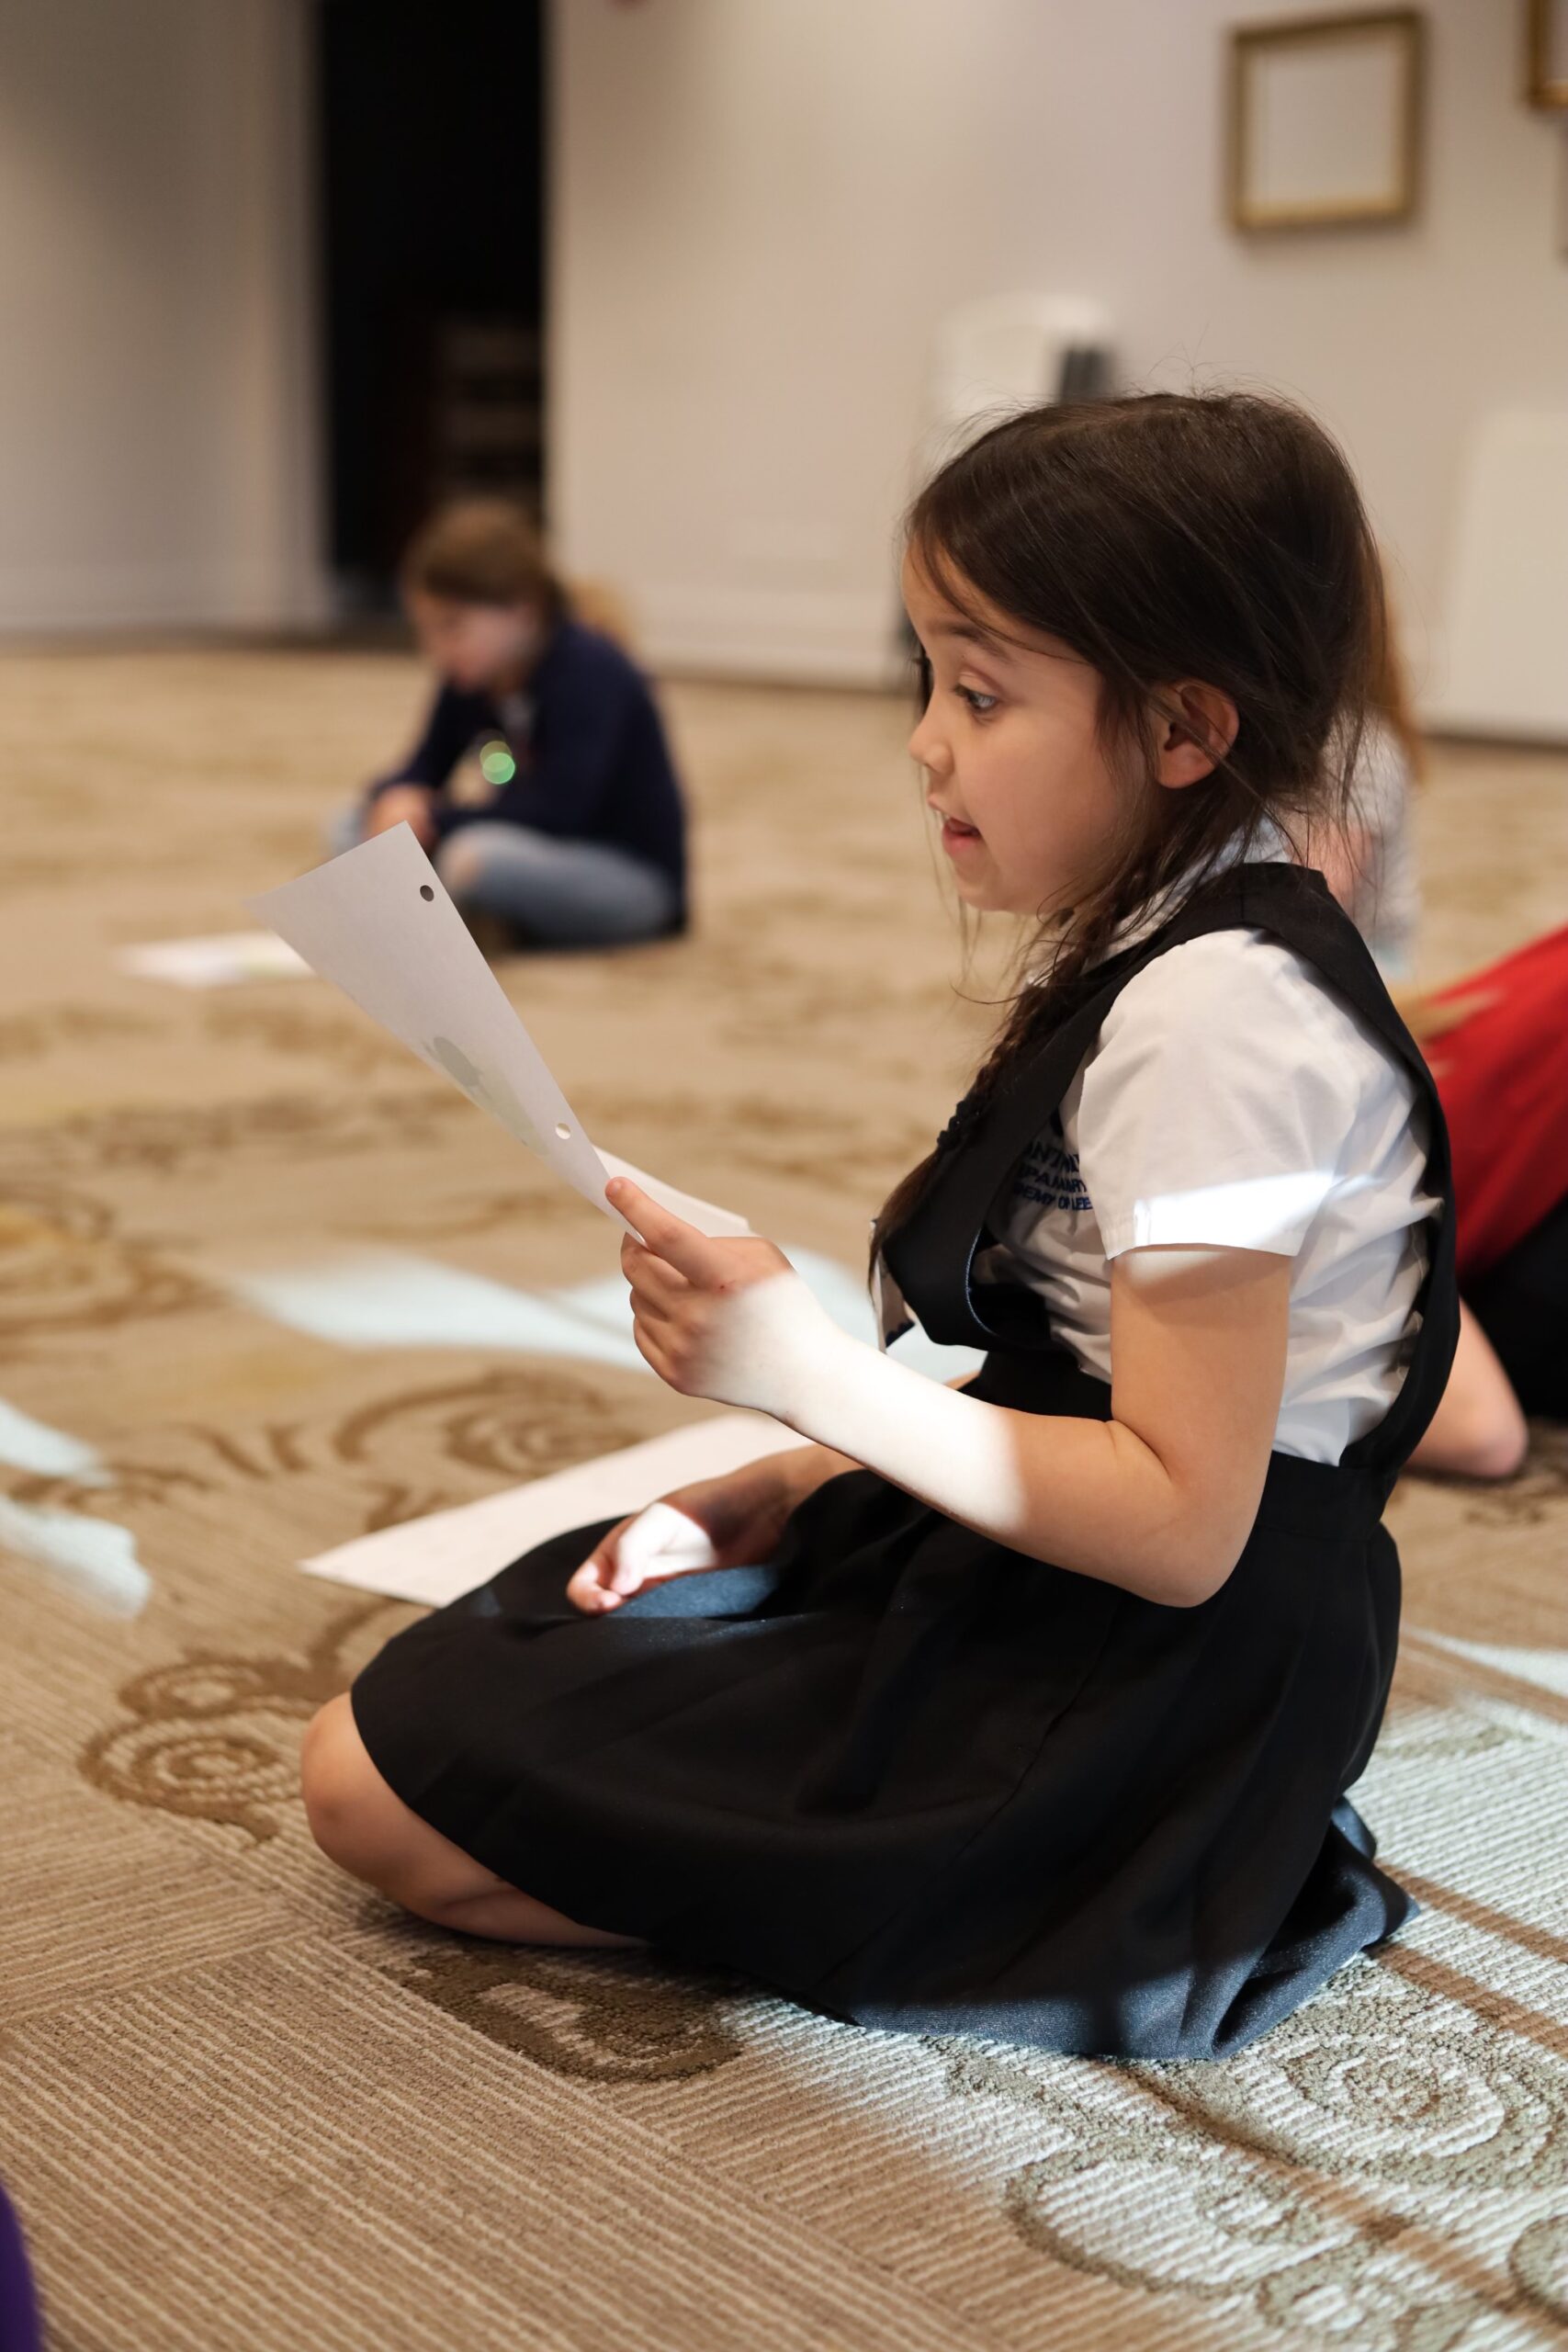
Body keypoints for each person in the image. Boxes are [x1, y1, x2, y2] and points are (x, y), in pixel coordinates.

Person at [301, 392, 1456, 2064]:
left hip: (1150, 1662)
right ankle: (961, 1859)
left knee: (377, 1788)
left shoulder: (1225, 1025)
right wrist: (783, 1485)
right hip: (1046, 1553)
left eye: (980, 693)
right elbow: (1058, 1367)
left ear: (1184, 730)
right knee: (499, 1662)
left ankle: (1067, 1885)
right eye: (925, 678)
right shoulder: (1169, 940)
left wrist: (804, 1385)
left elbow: (1187, 1523)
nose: (924, 740)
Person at [340, 500, 688, 950]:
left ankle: (471, 918)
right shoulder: (471, 679)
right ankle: (479, 920)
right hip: (525, 842)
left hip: (624, 877)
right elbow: (426, 763)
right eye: (426, 632)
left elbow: (558, 811)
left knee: (477, 860)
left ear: (521, 611)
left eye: (452, 628)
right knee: (350, 826)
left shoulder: (591, 671)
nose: (437, 650)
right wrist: (394, 798)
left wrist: (435, 819)